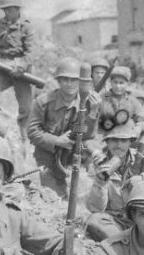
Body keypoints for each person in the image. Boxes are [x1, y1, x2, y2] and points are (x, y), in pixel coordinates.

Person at [26, 57, 97, 198]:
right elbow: (32, 132)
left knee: (82, 196)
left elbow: (89, 137)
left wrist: (93, 113)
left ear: (80, 82)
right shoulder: (44, 101)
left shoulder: (89, 102)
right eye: (65, 79)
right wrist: (57, 141)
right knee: (52, 197)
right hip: (48, 159)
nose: (69, 84)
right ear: (58, 81)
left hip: (73, 158)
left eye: (74, 80)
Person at [0, 0, 35, 140]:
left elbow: (31, 53)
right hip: (3, 67)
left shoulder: (26, 27)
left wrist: (22, 66)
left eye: (11, 10)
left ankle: (26, 139)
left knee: (26, 108)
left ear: (18, 9)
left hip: (21, 71)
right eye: (5, 10)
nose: (8, 13)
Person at [96, 66, 142, 136]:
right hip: (104, 136)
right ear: (110, 82)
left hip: (125, 137)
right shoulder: (102, 97)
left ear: (127, 84)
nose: (118, 86)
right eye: (115, 82)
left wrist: (139, 127)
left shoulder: (132, 101)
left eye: (121, 83)